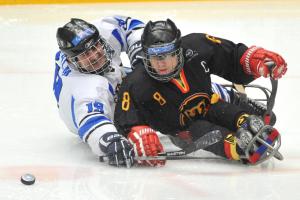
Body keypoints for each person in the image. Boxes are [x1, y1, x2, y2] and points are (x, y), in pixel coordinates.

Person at [114, 19, 287, 166]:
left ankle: (244, 119)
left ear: (178, 50)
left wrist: (253, 61)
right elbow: (126, 119)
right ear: (145, 55)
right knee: (200, 129)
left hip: (210, 104)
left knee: (259, 118)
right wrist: (140, 135)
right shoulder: (136, 82)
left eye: (166, 55)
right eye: (155, 56)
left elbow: (231, 57)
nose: (161, 63)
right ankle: (239, 148)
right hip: (183, 131)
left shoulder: (196, 46)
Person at [53, 16, 145, 167]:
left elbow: (130, 25)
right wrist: (111, 140)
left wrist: (139, 50)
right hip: (81, 113)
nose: (95, 56)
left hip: (109, 79)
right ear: (72, 61)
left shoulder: (103, 32)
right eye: (85, 55)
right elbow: (92, 120)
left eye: (95, 47)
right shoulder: (85, 87)